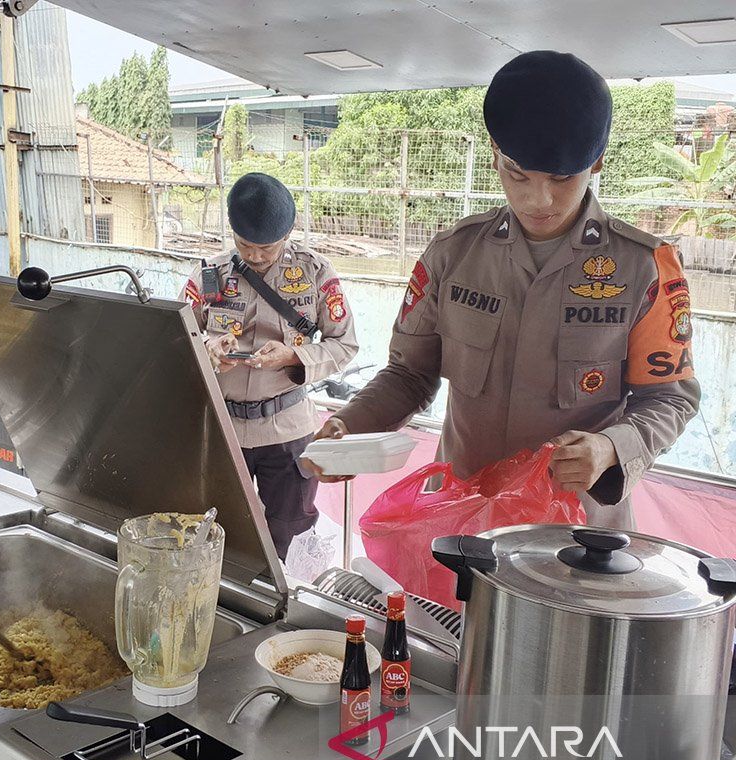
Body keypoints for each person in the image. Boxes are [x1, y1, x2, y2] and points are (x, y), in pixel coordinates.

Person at [310, 52, 700, 530]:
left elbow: (669, 398)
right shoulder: (453, 255)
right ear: (495, 152)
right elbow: (410, 374)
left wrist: (611, 447)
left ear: (596, 161)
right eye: (518, 174)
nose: (539, 200)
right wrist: (351, 427)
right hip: (460, 521)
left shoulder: (645, 268)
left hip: (573, 533)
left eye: (562, 179)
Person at [181, 173, 358, 560]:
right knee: (217, 535)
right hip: (223, 432)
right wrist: (210, 350)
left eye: (267, 247)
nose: (256, 256)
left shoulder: (315, 273)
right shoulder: (209, 274)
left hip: (288, 432)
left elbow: (344, 344)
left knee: (290, 534)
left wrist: (294, 356)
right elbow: (177, 340)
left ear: (288, 233)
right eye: (245, 245)